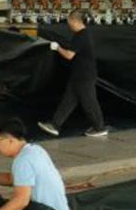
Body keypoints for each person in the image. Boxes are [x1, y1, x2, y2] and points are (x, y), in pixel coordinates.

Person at [38, 9, 108, 138]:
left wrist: (57, 47)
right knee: (68, 101)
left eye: (69, 21)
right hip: (79, 74)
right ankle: (55, 125)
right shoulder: (82, 35)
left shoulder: (81, 36)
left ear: (75, 21)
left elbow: (69, 55)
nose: (68, 24)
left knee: (89, 102)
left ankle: (99, 127)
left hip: (84, 75)